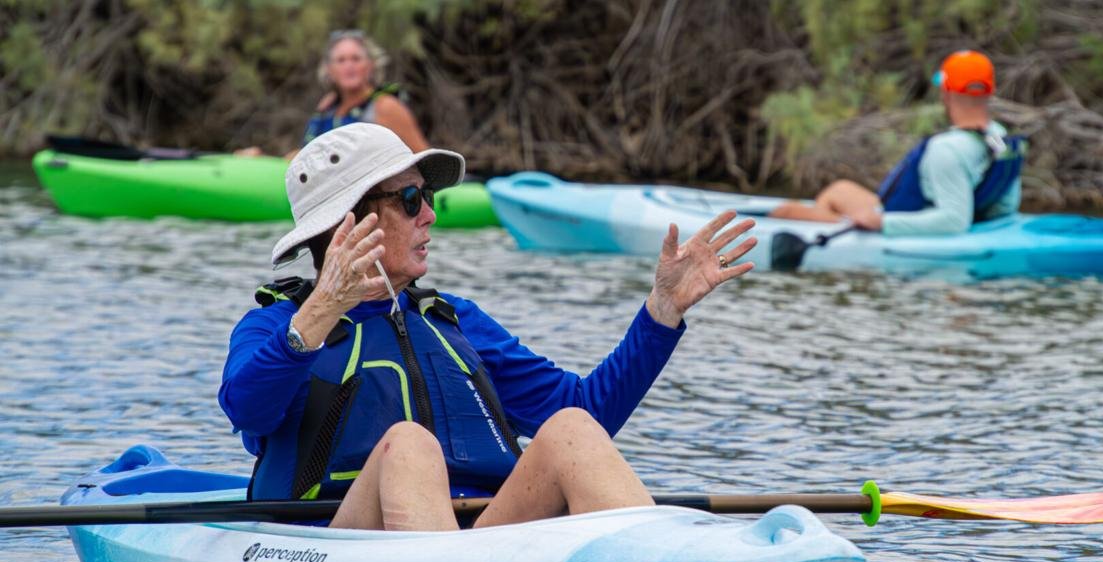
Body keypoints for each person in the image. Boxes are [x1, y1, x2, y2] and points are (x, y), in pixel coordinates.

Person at [218, 122, 758, 531]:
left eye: (428, 198)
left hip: (478, 545)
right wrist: (320, 311)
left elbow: (590, 410)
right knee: (407, 445)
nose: (430, 215)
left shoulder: (456, 322)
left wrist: (662, 311)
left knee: (570, 431)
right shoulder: (276, 325)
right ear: (349, 225)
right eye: (411, 200)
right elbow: (247, 409)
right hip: (336, 549)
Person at [769, 50, 1025, 236]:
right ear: (989, 91)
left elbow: (954, 221)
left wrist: (882, 224)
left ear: (946, 93)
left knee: (785, 213)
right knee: (839, 190)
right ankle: (838, 235)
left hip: (906, 220)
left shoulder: (946, 149)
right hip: (959, 219)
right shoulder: (1000, 137)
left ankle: (838, 242)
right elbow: (1006, 206)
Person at [237, 30, 428, 159]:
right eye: (341, 60)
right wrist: (262, 160)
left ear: (370, 66)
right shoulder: (327, 108)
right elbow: (307, 156)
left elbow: (424, 155)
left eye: (356, 58)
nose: (349, 66)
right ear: (329, 69)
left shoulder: (385, 106)